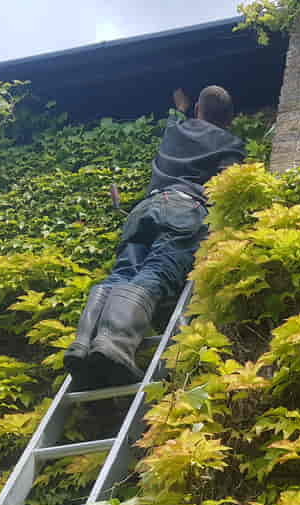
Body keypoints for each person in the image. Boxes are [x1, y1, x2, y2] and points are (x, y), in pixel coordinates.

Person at [64, 85, 246, 389]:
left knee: (123, 272)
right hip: (185, 210)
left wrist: (186, 106)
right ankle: (114, 345)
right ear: (229, 120)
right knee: (157, 271)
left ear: (198, 109)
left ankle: (83, 345)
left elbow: (191, 119)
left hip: (145, 209)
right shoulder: (230, 143)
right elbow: (227, 187)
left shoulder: (174, 131)